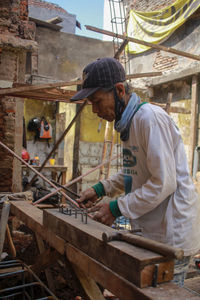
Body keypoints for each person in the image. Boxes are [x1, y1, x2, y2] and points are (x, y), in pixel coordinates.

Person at [71, 57, 200, 286]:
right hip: (152, 231)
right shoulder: (128, 122)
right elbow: (135, 170)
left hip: (171, 234)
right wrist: (101, 188)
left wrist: (116, 207)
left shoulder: (149, 119)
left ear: (119, 90)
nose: (96, 111)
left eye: (98, 101)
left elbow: (163, 183)